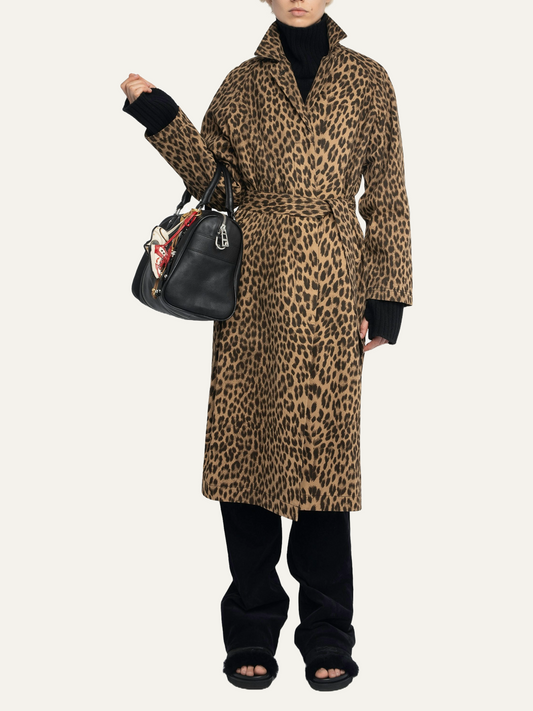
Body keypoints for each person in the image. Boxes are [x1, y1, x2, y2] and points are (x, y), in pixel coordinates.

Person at [120, 0, 412, 693]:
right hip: (251, 284)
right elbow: (212, 182)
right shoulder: (242, 82)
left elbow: (388, 193)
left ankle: (328, 630)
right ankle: (251, 625)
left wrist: (387, 294)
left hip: (333, 284)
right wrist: (159, 114)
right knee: (245, 453)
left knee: (325, 460)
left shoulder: (368, 79)